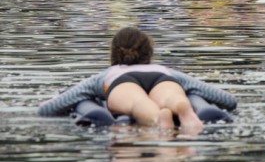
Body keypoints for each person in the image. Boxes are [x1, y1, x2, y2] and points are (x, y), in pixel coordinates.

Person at [38, 26, 237, 130]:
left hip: (121, 83)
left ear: (114, 53)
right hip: (162, 80)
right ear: (148, 52)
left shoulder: (106, 75)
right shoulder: (167, 70)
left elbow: (49, 109)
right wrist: (192, 94)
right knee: (172, 98)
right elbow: (227, 100)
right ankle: (179, 106)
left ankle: (158, 118)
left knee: (138, 104)